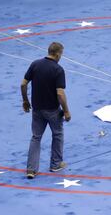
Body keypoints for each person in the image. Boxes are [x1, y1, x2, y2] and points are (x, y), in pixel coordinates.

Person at [21, 42, 71, 179]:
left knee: (36, 137)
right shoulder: (58, 70)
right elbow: (60, 94)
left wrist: (25, 100)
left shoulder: (35, 64)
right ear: (57, 54)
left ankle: (31, 170)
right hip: (53, 110)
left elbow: (23, 84)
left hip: (37, 109)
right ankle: (55, 164)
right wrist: (66, 111)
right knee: (57, 134)